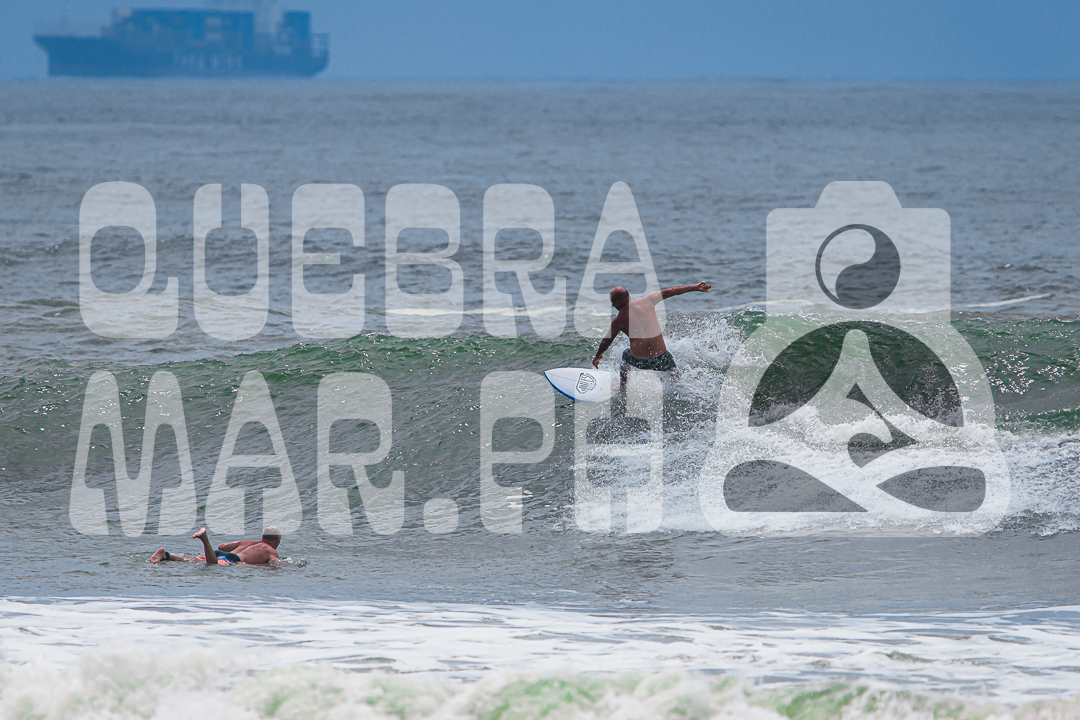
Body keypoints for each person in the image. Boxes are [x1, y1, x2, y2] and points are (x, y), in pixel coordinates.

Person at [592, 281, 711, 391]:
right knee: (671, 363)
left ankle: (623, 389)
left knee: (625, 355)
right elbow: (671, 291)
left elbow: (606, 341)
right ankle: (678, 387)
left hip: (639, 361)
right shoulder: (648, 301)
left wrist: (598, 356)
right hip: (660, 360)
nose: (613, 306)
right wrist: (695, 287)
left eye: (613, 303)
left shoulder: (618, 321)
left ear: (618, 302)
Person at [150, 526, 281, 566]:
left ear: (263, 537)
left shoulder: (247, 542)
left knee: (191, 560)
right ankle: (204, 539)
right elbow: (276, 563)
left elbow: (222, 547)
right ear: (277, 540)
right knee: (212, 565)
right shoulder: (270, 550)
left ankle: (166, 555)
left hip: (220, 554)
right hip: (232, 559)